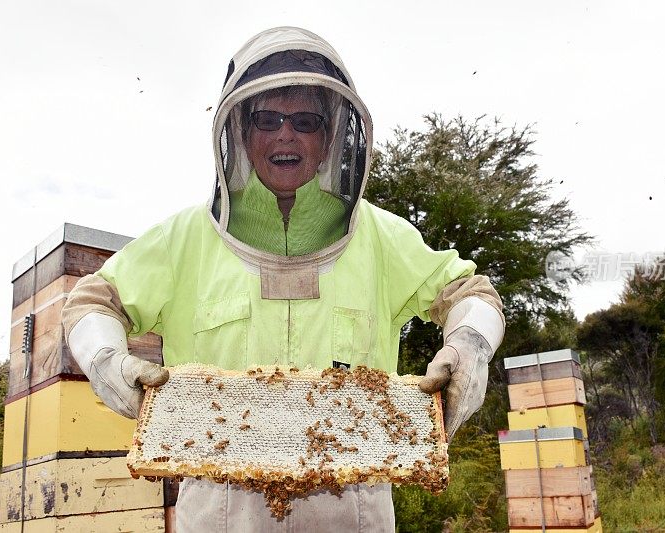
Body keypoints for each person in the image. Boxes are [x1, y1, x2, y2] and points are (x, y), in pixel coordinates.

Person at [61, 26, 505, 532]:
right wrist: (105, 359)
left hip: (353, 514)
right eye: (267, 119)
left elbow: (469, 291)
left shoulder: (383, 238)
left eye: (306, 121)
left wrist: (470, 344)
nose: (285, 135)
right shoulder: (183, 239)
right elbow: (93, 300)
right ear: (241, 132)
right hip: (220, 515)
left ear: (332, 134)